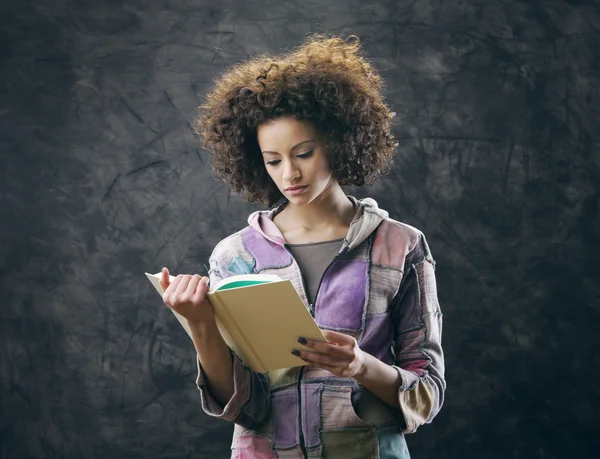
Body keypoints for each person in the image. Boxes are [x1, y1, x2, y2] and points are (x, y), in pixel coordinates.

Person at [159, 34, 445, 459]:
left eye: (304, 153)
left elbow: (427, 393)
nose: (289, 173)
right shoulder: (235, 256)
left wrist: (360, 366)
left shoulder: (400, 245)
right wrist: (200, 324)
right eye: (273, 160)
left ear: (337, 140)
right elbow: (243, 406)